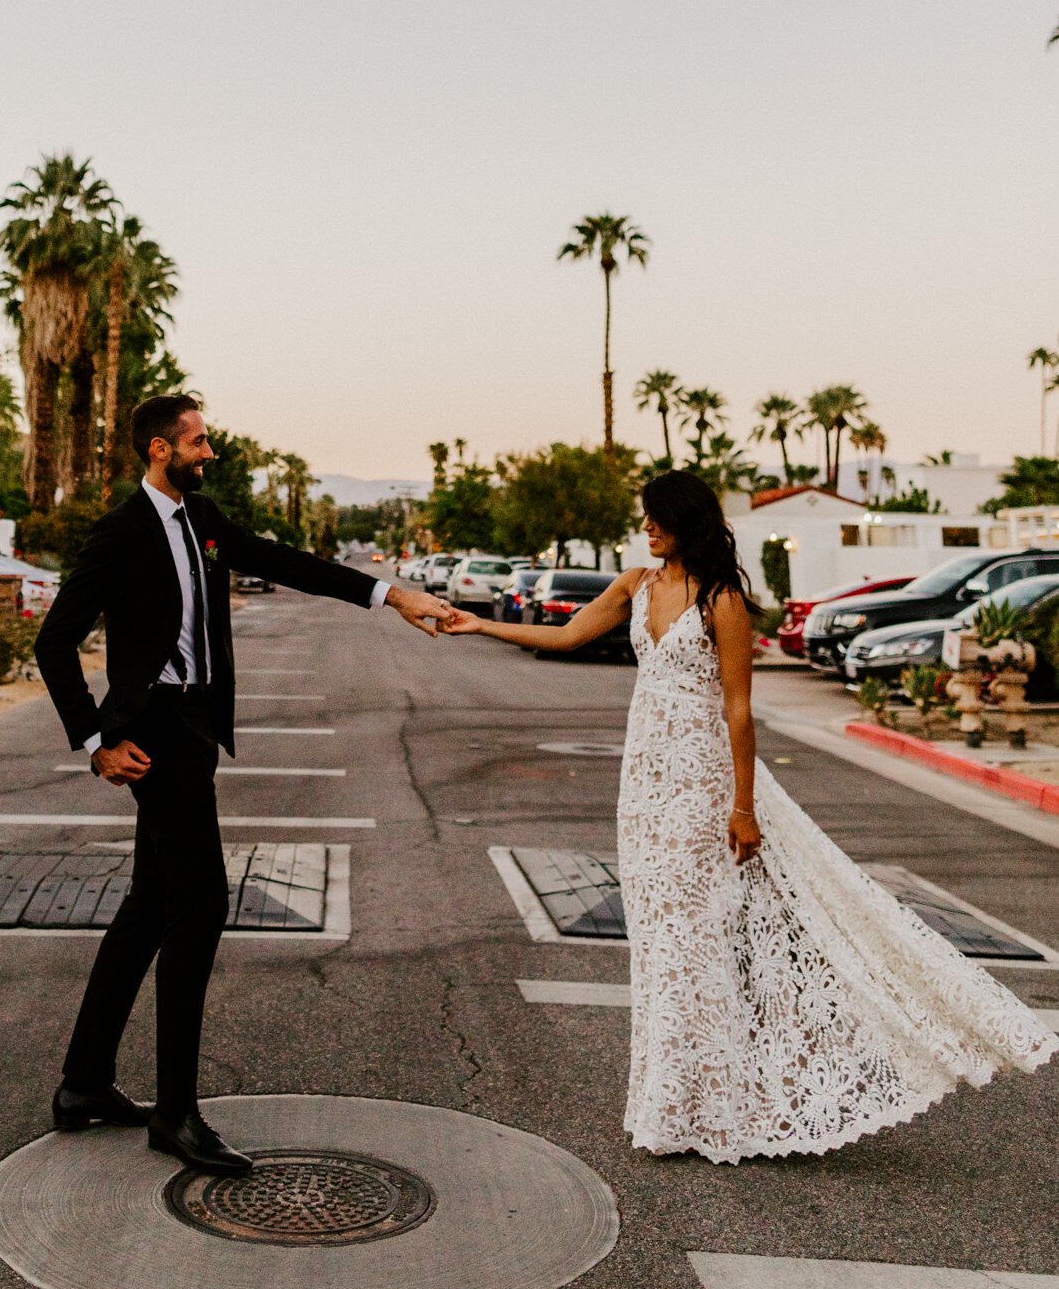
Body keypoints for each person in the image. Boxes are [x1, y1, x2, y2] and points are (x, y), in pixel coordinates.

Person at [442, 470, 1056, 1162]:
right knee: (657, 944)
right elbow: (561, 639)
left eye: (655, 519)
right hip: (645, 785)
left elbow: (737, 709)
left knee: (695, 944)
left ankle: (711, 1107)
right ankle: (675, 1104)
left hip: (702, 788)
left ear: (685, 522)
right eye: (643, 519)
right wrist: (473, 623)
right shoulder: (634, 586)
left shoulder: (722, 600)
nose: (645, 528)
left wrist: (742, 808)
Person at [35, 393, 450, 1173]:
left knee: (148, 909)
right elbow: (54, 642)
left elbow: (281, 561)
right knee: (201, 907)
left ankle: (84, 1085)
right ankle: (176, 1114)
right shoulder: (120, 534)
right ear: (159, 449)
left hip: (192, 726)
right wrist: (95, 741)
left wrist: (390, 594)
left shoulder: (204, 519)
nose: (209, 452)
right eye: (197, 442)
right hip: (151, 734)